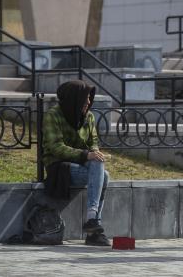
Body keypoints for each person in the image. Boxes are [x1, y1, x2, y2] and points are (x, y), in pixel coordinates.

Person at [42, 80, 110, 246]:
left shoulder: (89, 117)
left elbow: (93, 142)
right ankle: (93, 227)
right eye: (85, 98)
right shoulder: (53, 115)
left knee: (100, 165)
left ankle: (92, 220)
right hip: (59, 166)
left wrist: (94, 153)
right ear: (74, 98)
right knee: (104, 176)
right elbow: (56, 148)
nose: (88, 102)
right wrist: (86, 155)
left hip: (81, 163)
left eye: (89, 98)